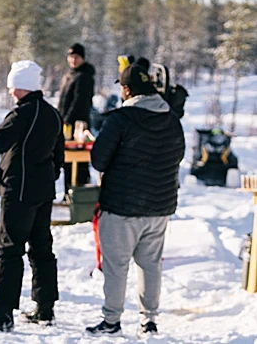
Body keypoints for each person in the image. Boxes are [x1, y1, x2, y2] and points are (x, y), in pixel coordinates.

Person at [86, 64, 184, 338]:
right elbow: (178, 155)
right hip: (159, 205)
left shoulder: (120, 119)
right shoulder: (171, 118)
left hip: (122, 206)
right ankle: (149, 320)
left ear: (127, 89)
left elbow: (98, 160)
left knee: (116, 266)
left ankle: (112, 321)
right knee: (151, 264)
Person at [0, 60, 64, 332]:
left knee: (10, 249)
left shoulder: (23, 113)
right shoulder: (51, 113)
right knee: (41, 248)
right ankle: (45, 307)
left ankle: (1, 313)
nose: (11, 91)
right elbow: (59, 154)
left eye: (13, 86)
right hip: (42, 191)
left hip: (19, 191)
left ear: (23, 87)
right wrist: (51, 176)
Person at [57, 43, 95, 198]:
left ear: (82, 58)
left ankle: (79, 195)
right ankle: (68, 193)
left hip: (77, 126)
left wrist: (67, 120)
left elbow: (80, 102)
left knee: (78, 162)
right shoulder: (69, 75)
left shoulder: (84, 76)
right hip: (65, 124)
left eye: (76, 57)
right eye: (71, 57)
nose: (73, 60)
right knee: (67, 161)